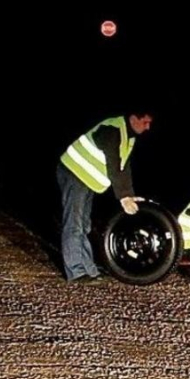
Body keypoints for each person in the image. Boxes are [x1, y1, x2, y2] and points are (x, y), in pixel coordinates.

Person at [57, 110, 153, 284]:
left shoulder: (128, 137)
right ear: (133, 118)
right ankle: (76, 272)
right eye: (145, 122)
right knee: (74, 224)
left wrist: (130, 195)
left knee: (84, 226)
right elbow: (113, 164)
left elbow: (124, 169)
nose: (148, 128)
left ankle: (88, 269)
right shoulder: (112, 129)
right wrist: (123, 198)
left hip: (86, 178)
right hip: (74, 173)